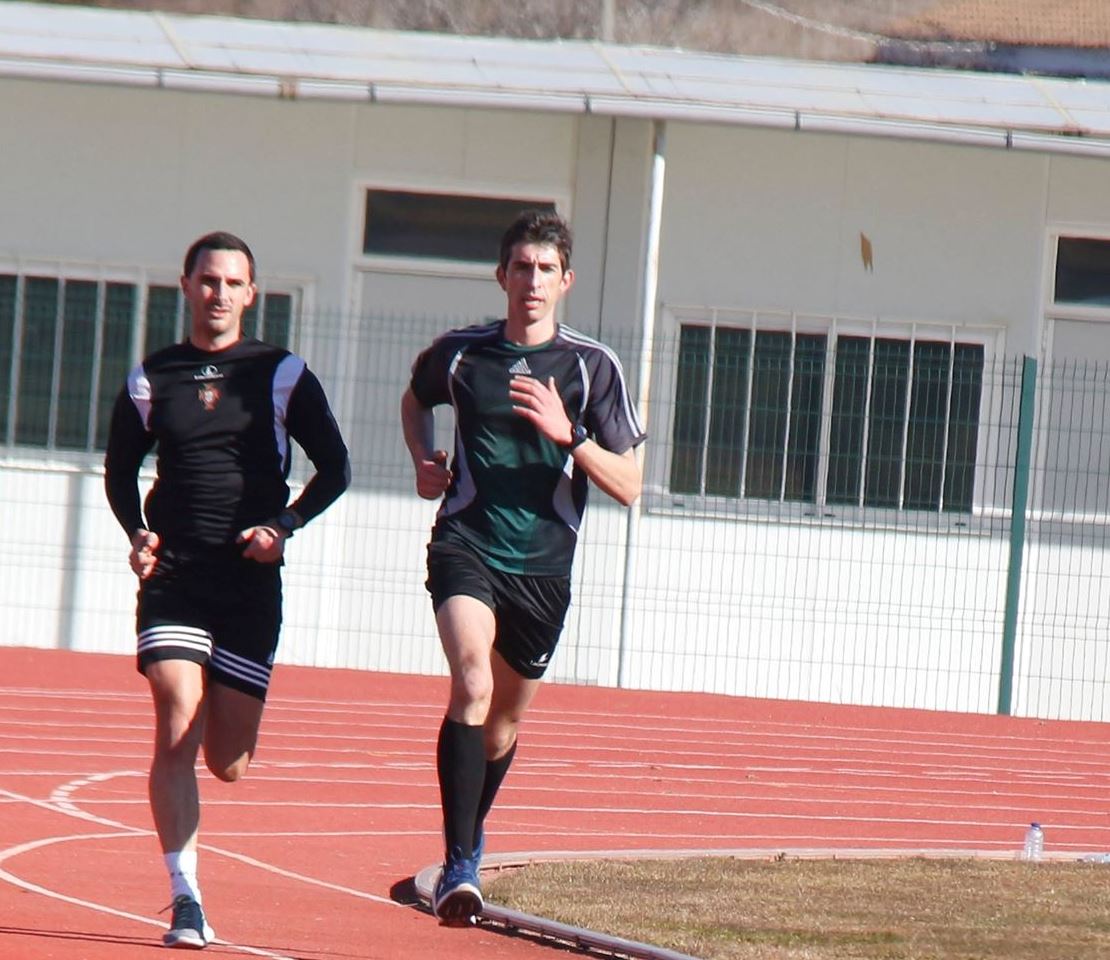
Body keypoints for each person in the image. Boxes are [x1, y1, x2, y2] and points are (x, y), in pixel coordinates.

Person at [104, 231, 350, 949]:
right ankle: (186, 897)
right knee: (176, 715)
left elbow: (333, 467)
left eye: (232, 283)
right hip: (176, 573)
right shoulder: (154, 376)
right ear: (186, 286)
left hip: (249, 582)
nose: (218, 294)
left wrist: (285, 525)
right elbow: (121, 471)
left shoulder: (281, 374)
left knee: (229, 763)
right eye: (206, 281)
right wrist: (137, 534)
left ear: (251, 293)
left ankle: (225, 690)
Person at [401, 209, 646, 925]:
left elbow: (628, 485)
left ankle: (468, 840)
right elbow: (416, 401)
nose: (531, 281)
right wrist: (423, 459)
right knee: (471, 683)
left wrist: (568, 435)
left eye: (546, 269)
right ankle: (460, 866)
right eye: (521, 267)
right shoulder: (462, 354)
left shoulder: (591, 367)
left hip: (544, 568)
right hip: (466, 543)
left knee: (502, 725)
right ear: (501, 275)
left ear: (565, 281)